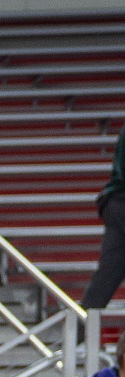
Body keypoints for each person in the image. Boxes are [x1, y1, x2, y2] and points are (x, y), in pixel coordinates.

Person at [81, 127, 125, 312]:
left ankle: (77, 334)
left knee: (106, 278)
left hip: (117, 201)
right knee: (106, 277)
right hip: (121, 201)